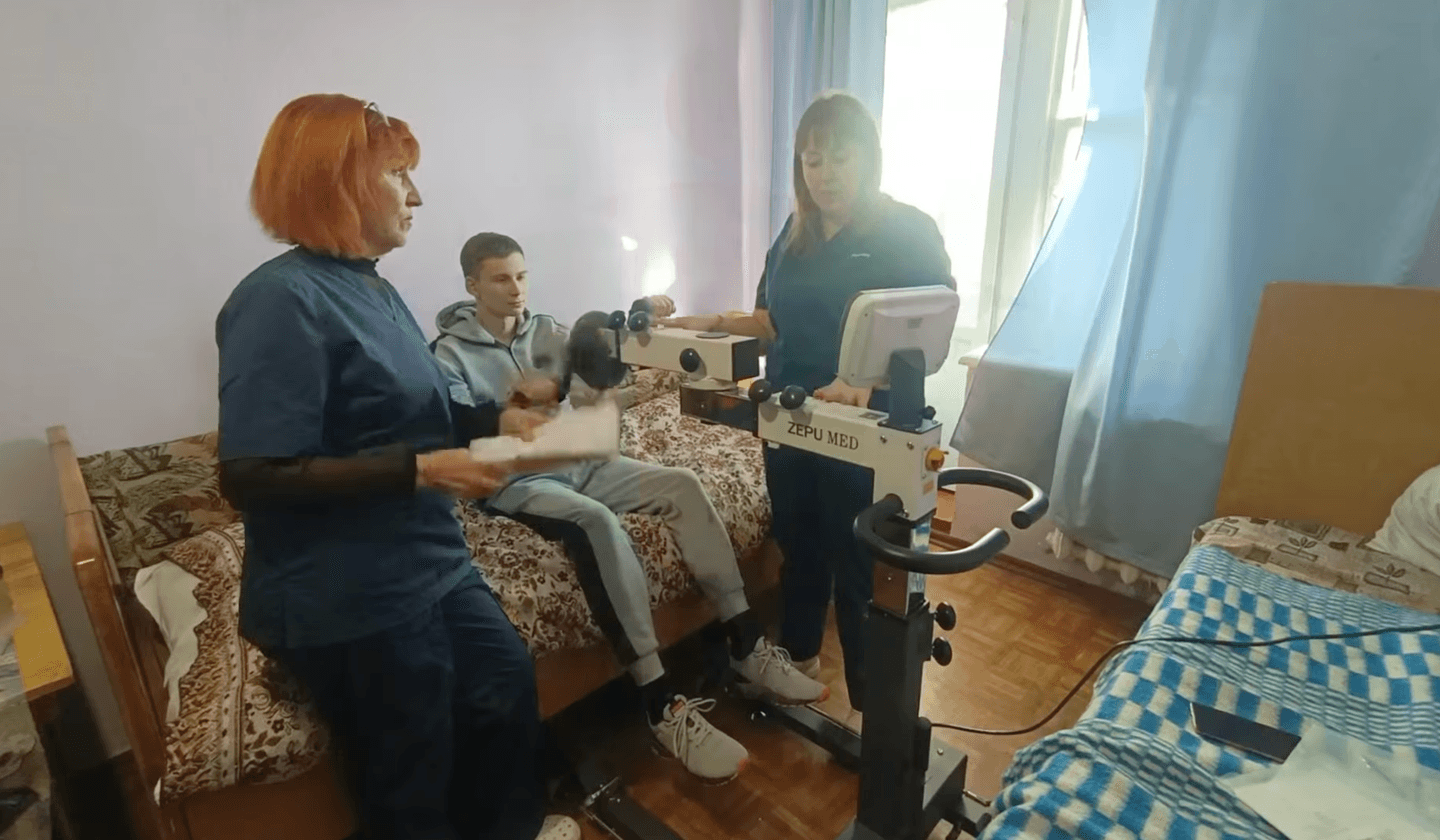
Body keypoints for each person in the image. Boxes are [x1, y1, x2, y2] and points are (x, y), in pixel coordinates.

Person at [215, 94, 579, 840]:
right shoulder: (278, 300)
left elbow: (423, 412)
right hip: (345, 586)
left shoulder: (375, 287)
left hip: (426, 557)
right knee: (414, 756)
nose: (417, 196)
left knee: (503, 679)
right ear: (338, 184)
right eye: (399, 176)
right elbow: (252, 475)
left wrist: (496, 420)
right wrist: (421, 471)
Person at [430, 232, 830, 782]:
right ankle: (659, 699)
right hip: (519, 480)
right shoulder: (447, 355)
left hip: (582, 458)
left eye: (522, 275)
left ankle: (744, 639)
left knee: (683, 484)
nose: (516, 289)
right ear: (473, 284)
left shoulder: (548, 330)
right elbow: (460, 426)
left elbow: (605, 370)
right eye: (501, 279)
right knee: (595, 522)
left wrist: (635, 324)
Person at [661, 91, 956, 716]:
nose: (825, 174)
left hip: (867, 428)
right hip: (790, 419)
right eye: (813, 161)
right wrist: (711, 320)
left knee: (858, 562)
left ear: (868, 159)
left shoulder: (907, 231)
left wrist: (865, 383)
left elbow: (934, 333)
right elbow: (774, 320)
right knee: (800, 543)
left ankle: (875, 713)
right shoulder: (793, 235)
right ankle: (797, 660)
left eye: (839, 158)